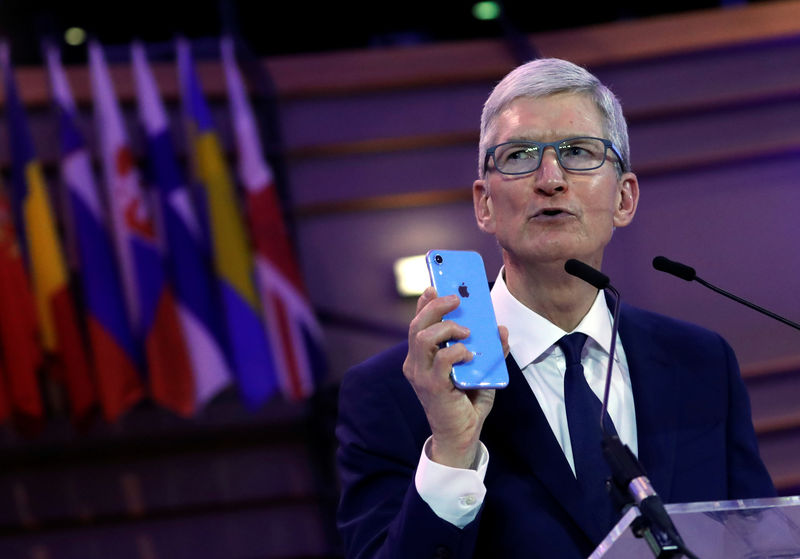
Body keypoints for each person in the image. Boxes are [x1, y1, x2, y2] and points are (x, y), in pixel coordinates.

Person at [335, 58, 775, 559]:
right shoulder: (391, 393)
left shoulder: (701, 362)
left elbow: (757, 539)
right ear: (483, 204)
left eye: (578, 152)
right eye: (520, 155)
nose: (551, 179)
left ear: (624, 199)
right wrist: (452, 453)